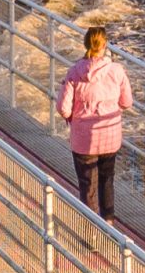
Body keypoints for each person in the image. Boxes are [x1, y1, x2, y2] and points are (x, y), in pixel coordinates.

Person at [57, 26, 134, 216]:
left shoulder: (75, 72)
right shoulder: (116, 71)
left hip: (84, 140)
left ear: (86, 44)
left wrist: (74, 116)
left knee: (87, 185)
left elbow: (63, 108)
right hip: (109, 135)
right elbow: (127, 102)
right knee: (107, 180)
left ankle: (91, 233)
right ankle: (108, 222)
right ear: (105, 44)